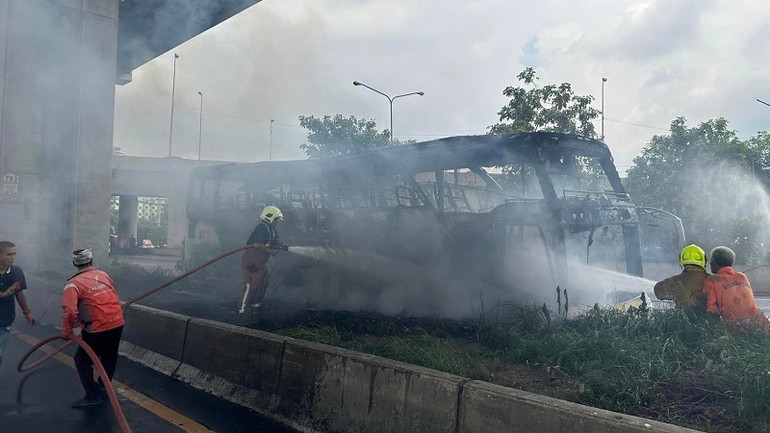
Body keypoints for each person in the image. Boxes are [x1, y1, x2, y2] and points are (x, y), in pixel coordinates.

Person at [62, 248, 125, 408]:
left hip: (97, 327)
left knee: (82, 360)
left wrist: (67, 331)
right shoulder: (103, 275)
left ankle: (92, 395)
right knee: (109, 356)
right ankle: (104, 386)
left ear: (74, 264)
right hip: (117, 322)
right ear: (91, 261)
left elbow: (69, 311)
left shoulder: (72, 285)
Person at [703, 246, 770, 330]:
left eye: (712, 260)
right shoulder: (742, 276)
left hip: (734, 328)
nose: (710, 262)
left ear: (715, 262)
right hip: (757, 324)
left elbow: (711, 308)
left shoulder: (711, 280)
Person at [239, 205, 284, 314]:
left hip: (261, 263)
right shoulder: (262, 227)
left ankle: (256, 305)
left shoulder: (273, 231)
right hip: (252, 261)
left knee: (264, 282)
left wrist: (280, 247)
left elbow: (274, 250)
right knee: (251, 284)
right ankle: (243, 310)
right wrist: (271, 251)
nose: (277, 222)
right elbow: (256, 244)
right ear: (270, 217)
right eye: (276, 219)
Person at [0, 241, 36, 366]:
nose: (13, 258)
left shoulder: (16, 271)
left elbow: (19, 294)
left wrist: (27, 312)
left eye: (14, 254)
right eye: (9, 254)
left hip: (5, 318)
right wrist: (4, 294)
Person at [653, 244, 708, 310]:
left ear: (682, 260)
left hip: (685, 319)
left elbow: (658, 291)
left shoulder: (677, 281)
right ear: (704, 260)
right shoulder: (713, 280)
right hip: (712, 318)